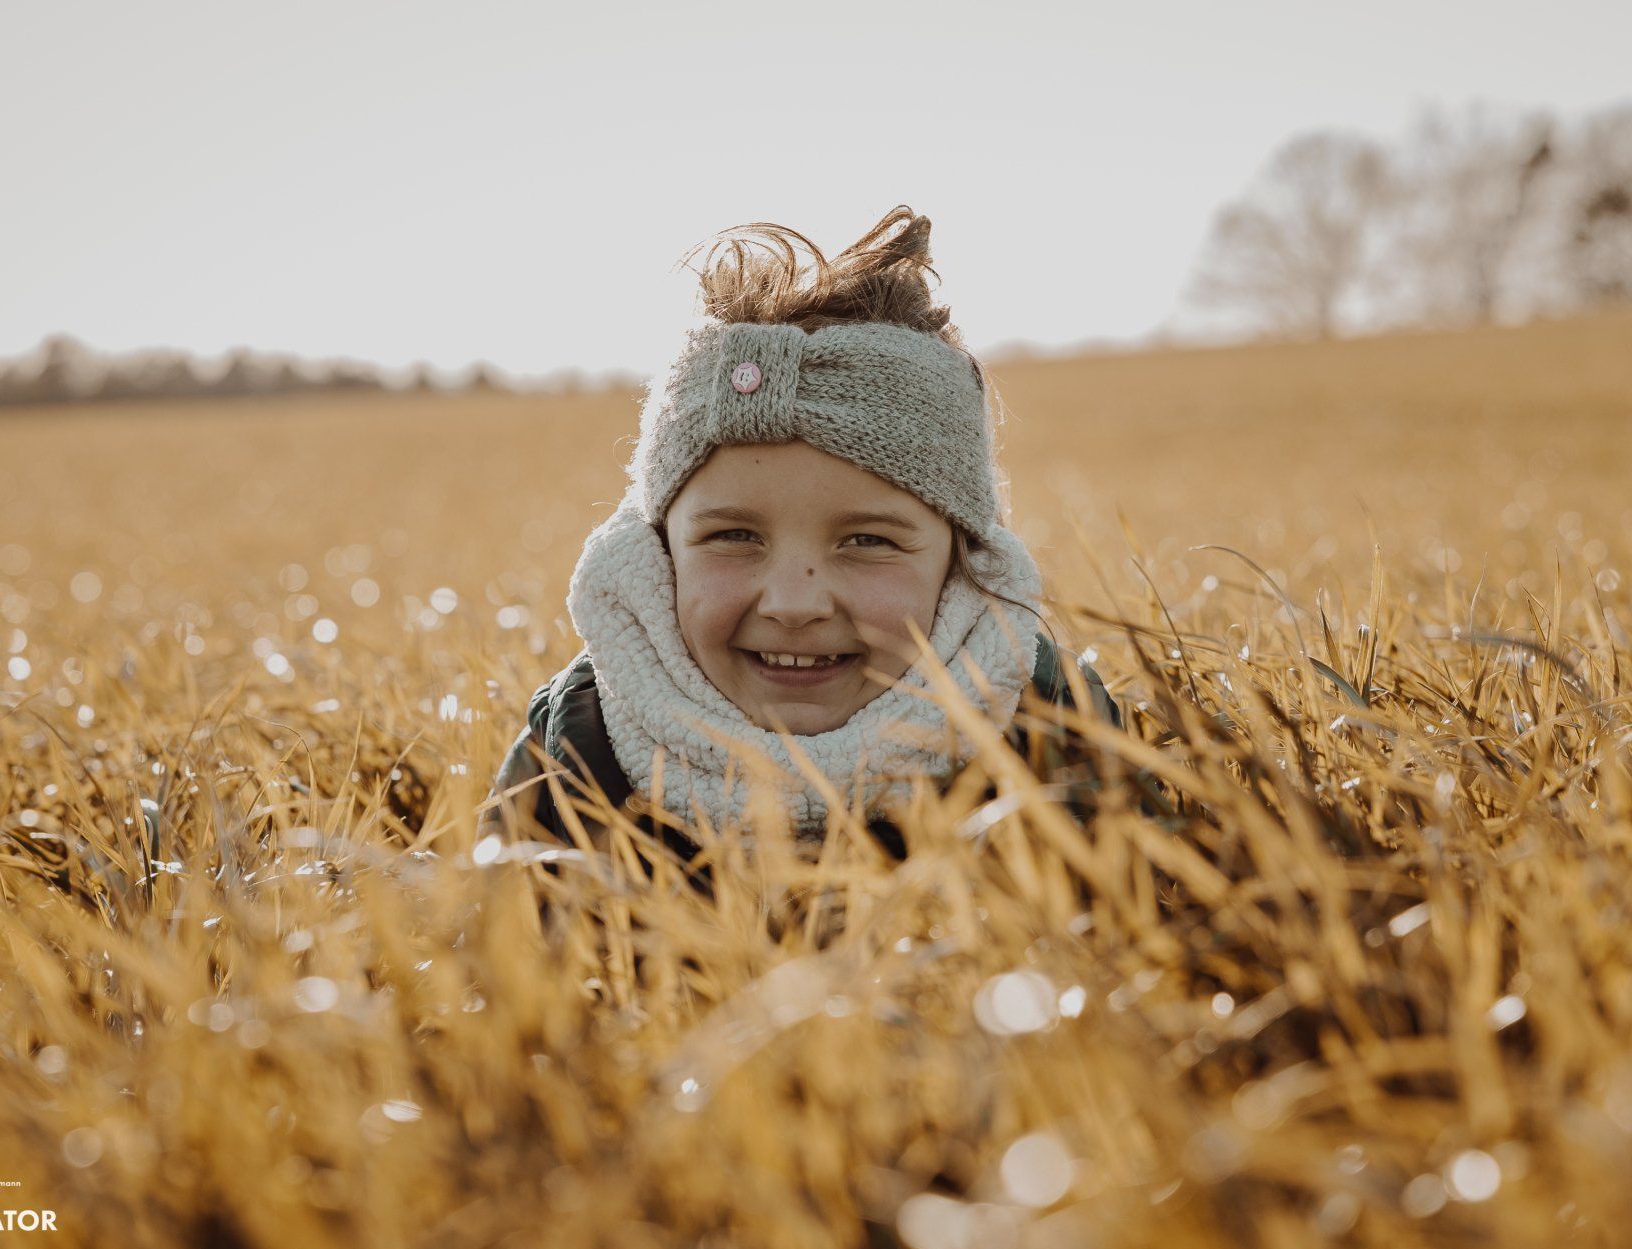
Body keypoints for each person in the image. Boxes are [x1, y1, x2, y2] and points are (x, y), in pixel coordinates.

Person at [484, 207, 1146, 873]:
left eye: (867, 542)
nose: (794, 604)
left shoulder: (1037, 710)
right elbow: (490, 931)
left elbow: (1145, 909)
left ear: (958, 562)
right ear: (661, 555)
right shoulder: (589, 732)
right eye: (735, 536)